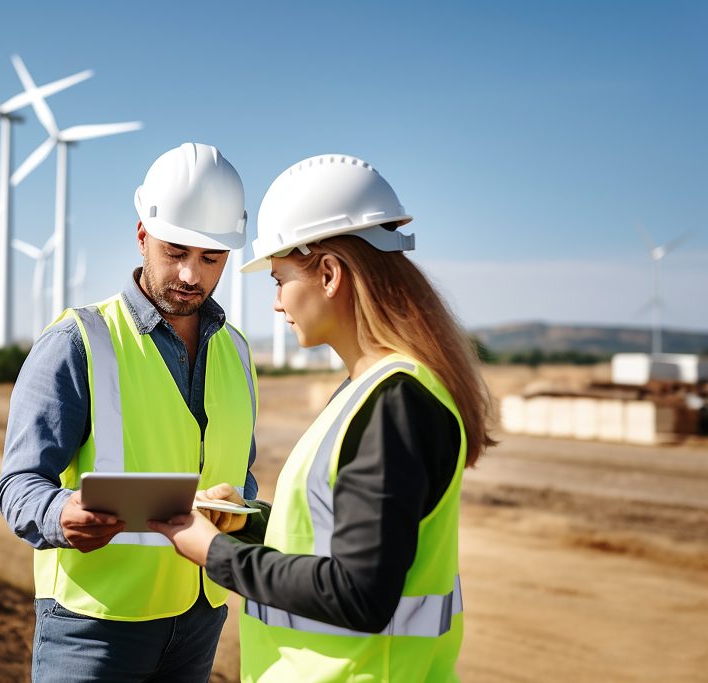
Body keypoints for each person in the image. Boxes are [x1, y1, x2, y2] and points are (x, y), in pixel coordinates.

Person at [149, 154, 496, 682]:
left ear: (329, 273)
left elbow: (359, 594)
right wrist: (248, 522)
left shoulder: (394, 402)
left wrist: (215, 553)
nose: (277, 304)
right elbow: (335, 535)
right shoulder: (371, 391)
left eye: (279, 280)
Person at [0, 142, 259, 682]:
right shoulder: (79, 340)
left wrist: (242, 507)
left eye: (211, 259)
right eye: (175, 252)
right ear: (142, 236)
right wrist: (59, 514)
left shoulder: (237, 350)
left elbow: (240, 472)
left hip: (199, 614)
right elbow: (19, 482)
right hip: (94, 625)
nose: (191, 275)